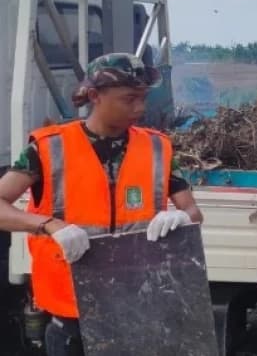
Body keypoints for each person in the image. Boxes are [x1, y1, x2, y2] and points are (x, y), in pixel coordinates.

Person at [0, 53, 203, 356]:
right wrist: (49, 225)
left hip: (139, 307)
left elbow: (193, 212)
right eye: (129, 99)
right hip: (72, 314)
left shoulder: (157, 147)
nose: (140, 108)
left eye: (143, 98)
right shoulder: (47, 147)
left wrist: (182, 219)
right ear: (94, 96)